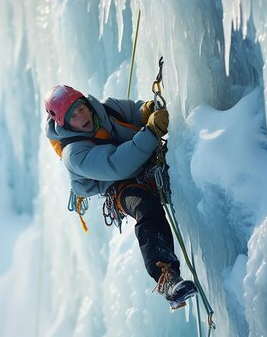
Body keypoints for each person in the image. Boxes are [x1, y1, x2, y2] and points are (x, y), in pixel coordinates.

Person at [44, 84, 197, 309]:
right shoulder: (74, 154)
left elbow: (134, 113)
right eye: (73, 116)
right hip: (121, 186)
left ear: (85, 103)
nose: (82, 116)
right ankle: (167, 278)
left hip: (146, 161)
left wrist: (145, 111)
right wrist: (152, 132)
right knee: (146, 208)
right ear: (64, 124)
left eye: (81, 108)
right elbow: (117, 165)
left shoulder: (107, 108)